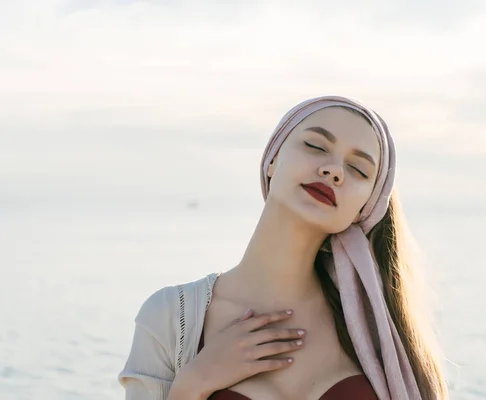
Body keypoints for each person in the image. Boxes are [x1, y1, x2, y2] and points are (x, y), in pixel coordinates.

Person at [118, 96, 449, 399]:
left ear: (366, 208)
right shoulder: (168, 317)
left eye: (359, 170)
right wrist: (194, 382)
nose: (334, 170)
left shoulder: (384, 338)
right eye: (315, 146)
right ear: (272, 159)